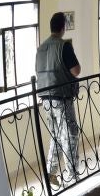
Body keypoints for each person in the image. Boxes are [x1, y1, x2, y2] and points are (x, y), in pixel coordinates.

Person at [34, 12, 81, 187]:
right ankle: (73, 174)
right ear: (63, 27)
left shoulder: (41, 48)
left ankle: (50, 171)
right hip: (61, 96)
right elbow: (76, 71)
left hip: (45, 98)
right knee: (70, 134)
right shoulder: (64, 46)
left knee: (56, 135)